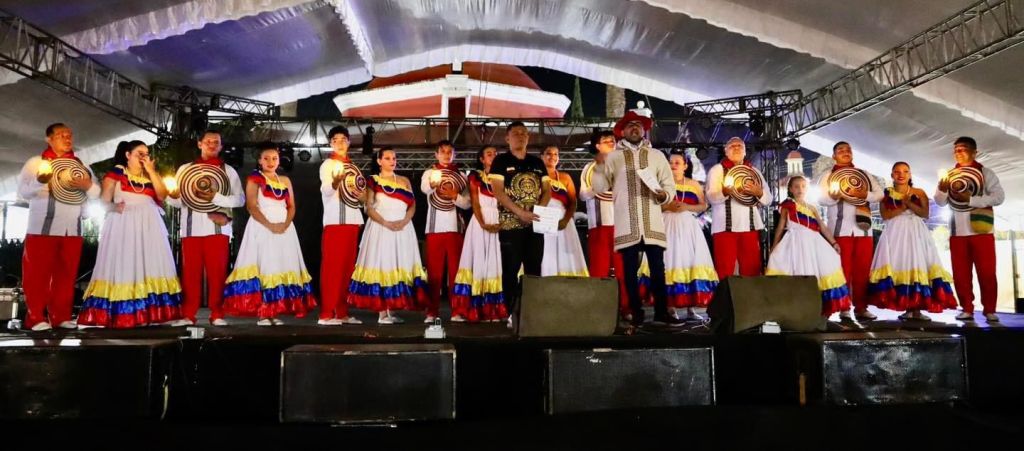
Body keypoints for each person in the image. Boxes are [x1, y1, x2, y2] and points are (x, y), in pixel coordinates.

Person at [591, 111, 683, 327]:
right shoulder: (613, 157)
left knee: (658, 269)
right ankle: (635, 313)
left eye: (638, 125)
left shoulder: (656, 155)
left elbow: (669, 185)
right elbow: (599, 187)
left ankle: (661, 312)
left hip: (652, 221)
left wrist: (664, 195)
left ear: (644, 130)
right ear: (622, 131)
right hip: (626, 222)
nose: (635, 128)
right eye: (630, 125)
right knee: (629, 271)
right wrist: (599, 167)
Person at [79, 141, 183, 328]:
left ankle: (152, 313)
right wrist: (114, 207)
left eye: (146, 153)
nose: (144, 157)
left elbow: (162, 195)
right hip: (124, 223)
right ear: (128, 155)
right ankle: (125, 314)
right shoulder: (116, 174)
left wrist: (151, 171)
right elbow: (104, 202)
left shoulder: (151, 175)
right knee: (126, 264)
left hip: (149, 224)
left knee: (150, 264)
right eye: (139, 153)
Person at [17, 123, 100, 331]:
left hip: (72, 230)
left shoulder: (81, 165)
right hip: (42, 229)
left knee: (67, 275)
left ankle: (61, 316)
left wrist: (88, 186)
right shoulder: (36, 163)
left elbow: (97, 193)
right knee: (37, 275)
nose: (67, 138)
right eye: (61, 135)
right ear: (49, 139)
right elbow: (23, 192)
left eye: (69, 135)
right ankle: (35, 318)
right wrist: (40, 181)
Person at [223, 145, 315, 325]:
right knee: (265, 265)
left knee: (280, 265)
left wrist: (285, 224)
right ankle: (263, 313)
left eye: (274, 158)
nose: (271, 162)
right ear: (259, 160)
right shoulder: (255, 179)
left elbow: (291, 206)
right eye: (266, 158)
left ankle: (274, 311)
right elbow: (251, 206)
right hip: (262, 226)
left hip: (284, 227)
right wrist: (270, 225)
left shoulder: (285, 180)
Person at [166, 129, 244, 326]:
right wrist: (172, 196)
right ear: (199, 144)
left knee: (217, 273)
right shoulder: (185, 169)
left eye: (216, 142)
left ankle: (217, 314)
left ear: (221, 146)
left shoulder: (228, 171)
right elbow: (177, 202)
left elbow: (240, 199)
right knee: (190, 274)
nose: (212, 144)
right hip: (190, 229)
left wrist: (216, 198)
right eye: (208, 141)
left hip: (218, 230)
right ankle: (188, 314)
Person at [348, 148, 428, 325]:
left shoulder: (405, 180)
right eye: (387, 158)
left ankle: (391, 310)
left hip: (403, 227)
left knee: (399, 265)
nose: (392, 161)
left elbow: (413, 205)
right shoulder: (373, 180)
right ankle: (382, 313)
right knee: (383, 265)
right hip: (381, 227)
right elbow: (369, 208)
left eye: (394, 158)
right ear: (379, 161)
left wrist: (405, 221)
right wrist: (386, 223)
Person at [868, 162, 956, 321]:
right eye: (897, 172)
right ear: (892, 175)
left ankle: (917, 308)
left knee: (917, 263)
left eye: (905, 171)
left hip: (916, 232)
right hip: (895, 232)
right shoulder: (886, 193)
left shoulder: (919, 192)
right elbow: (885, 215)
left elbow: (925, 213)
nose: (901, 174)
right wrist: (903, 207)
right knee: (900, 264)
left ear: (910, 174)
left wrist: (909, 204)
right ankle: (906, 306)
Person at [934, 137, 1005, 323]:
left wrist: (971, 199)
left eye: (963, 149)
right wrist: (942, 189)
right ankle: (966, 308)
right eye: (956, 149)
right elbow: (940, 202)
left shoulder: (985, 172)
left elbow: (999, 197)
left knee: (987, 273)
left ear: (975, 152)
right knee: (960, 274)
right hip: (957, 232)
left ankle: (990, 309)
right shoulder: (949, 174)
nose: (958, 152)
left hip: (982, 231)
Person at [766, 176, 851, 318]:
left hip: (813, 243)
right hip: (794, 242)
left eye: (803, 186)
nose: (800, 189)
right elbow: (780, 227)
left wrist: (833, 243)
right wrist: (774, 246)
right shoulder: (788, 205)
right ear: (791, 189)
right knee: (795, 270)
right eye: (796, 186)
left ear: (807, 188)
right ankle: (797, 309)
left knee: (823, 267)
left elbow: (822, 227)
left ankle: (817, 308)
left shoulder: (812, 207)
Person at [816, 141, 883, 322]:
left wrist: (864, 195)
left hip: (863, 230)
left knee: (862, 270)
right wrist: (834, 196)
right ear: (834, 156)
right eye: (841, 150)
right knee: (842, 270)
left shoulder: (863, 174)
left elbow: (880, 194)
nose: (845, 152)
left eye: (848, 150)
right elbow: (822, 199)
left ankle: (861, 308)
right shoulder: (829, 175)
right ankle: (844, 308)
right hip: (840, 230)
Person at [490, 122, 549, 322]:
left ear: (528, 137)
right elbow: (497, 191)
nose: (520, 136)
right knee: (511, 269)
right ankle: (511, 313)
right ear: (507, 138)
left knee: (534, 269)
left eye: (524, 133)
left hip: (535, 223)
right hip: (510, 225)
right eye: (515, 133)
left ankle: (532, 313)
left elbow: (547, 190)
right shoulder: (500, 161)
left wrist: (537, 211)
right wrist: (519, 212)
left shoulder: (537, 162)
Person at [450, 146, 506, 322]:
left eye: (495, 154)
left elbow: (506, 202)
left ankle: (494, 309)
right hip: (480, 220)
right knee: (478, 260)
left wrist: (502, 223)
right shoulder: (475, 176)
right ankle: (475, 309)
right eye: (489, 154)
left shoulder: (504, 177)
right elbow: (474, 201)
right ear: (481, 159)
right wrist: (483, 223)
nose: (493, 156)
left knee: (497, 263)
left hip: (499, 221)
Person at [317, 126, 365, 326]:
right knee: (332, 268)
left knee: (347, 269)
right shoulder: (328, 164)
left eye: (343, 139)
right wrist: (336, 182)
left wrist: (363, 197)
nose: (339, 143)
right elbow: (326, 190)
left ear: (349, 142)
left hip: (352, 221)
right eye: (335, 140)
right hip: (335, 222)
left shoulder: (353, 167)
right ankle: (326, 314)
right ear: (330, 143)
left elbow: (361, 196)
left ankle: (342, 312)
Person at [662, 152, 718, 320]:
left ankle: (691, 308)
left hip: (688, 227)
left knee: (689, 262)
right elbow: (654, 205)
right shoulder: (662, 183)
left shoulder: (693, 184)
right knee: (670, 261)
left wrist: (686, 207)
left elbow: (703, 205)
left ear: (685, 166)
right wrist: (668, 207)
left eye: (677, 162)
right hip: (667, 226)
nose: (673, 165)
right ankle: (670, 307)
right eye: (671, 162)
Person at [705, 137, 772, 280]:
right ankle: (725, 294)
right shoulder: (717, 170)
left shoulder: (754, 171)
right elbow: (710, 196)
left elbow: (768, 199)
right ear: (726, 151)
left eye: (740, 146)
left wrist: (759, 193)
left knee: (752, 269)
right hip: (724, 227)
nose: (736, 148)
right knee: (724, 269)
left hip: (750, 227)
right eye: (732, 146)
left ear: (745, 151)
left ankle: (750, 294)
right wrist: (724, 192)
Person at [579, 131, 630, 316]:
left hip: (622, 226)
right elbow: (583, 194)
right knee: (599, 269)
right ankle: (597, 309)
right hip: (599, 226)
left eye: (613, 140)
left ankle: (626, 308)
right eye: (606, 140)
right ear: (597, 146)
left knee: (624, 270)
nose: (611, 142)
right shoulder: (590, 167)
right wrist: (598, 187)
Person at [421, 140, 471, 323]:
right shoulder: (429, 173)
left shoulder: (462, 176)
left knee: (456, 272)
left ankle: (457, 310)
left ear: (454, 154)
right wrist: (433, 184)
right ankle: (431, 312)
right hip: (434, 228)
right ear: (436, 154)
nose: (446, 155)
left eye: (450, 152)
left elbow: (467, 204)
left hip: (455, 229)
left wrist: (455, 196)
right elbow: (424, 189)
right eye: (442, 151)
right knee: (434, 273)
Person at [539, 146, 588, 277]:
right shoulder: (535, 177)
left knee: (565, 254)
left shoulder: (565, 177)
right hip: (542, 220)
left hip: (563, 220)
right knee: (545, 253)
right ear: (541, 156)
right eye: (549, 153)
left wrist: (565, 220)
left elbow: (573, 202)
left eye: (556, 154)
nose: (553, 157)